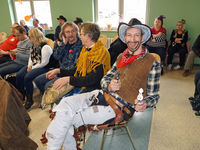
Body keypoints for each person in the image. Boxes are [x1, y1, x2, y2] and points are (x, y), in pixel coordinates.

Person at [45, 22, 161, 149]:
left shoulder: (152, 63)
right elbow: (104, 79)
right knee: (65, 105)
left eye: (136, 35)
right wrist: (109, 85)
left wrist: (145, 102)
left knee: (64, 118)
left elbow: (154, 96)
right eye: (129, 35)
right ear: (125, 37)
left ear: (142, 37)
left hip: (119, 108)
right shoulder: (122, 56)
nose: (132, 39)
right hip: (101, 95)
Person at [50, 23, 111, 96]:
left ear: (87, 36)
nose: (80, 36)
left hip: (94, 89)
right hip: (83, 84)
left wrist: (69, 79)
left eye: (81, 34)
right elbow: (77, 71)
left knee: (64, 101)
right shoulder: (85, 49)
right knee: (57, 94)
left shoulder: (101, 52)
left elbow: (93, 79)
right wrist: (59, 71)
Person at [34, 22, 82, 94]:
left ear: (77, 32)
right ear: (63, 34)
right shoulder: (65, 43)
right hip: (60, 71)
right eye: (67, 32)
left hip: (70, 74)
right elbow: (56, 56)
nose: (71, 34)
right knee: (38, 80)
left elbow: (75, 66)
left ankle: (51, 99)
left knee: (48, 86)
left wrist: (59, 73)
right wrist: (63, 44)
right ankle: (47, 99)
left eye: (73, 31)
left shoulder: (81, 45)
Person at [16, 28, 53, 110]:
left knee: (27, 77)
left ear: (35, 37)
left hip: (45, 67)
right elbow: (30, 57)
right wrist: (29, 65)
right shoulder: (34, 46)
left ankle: (30, 99)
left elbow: (44, 62)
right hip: (35, 65)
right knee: (19, 75)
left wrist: (32, 68)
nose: (29, 39)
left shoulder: (45, 47)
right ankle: (22, 95)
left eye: (30, 37)